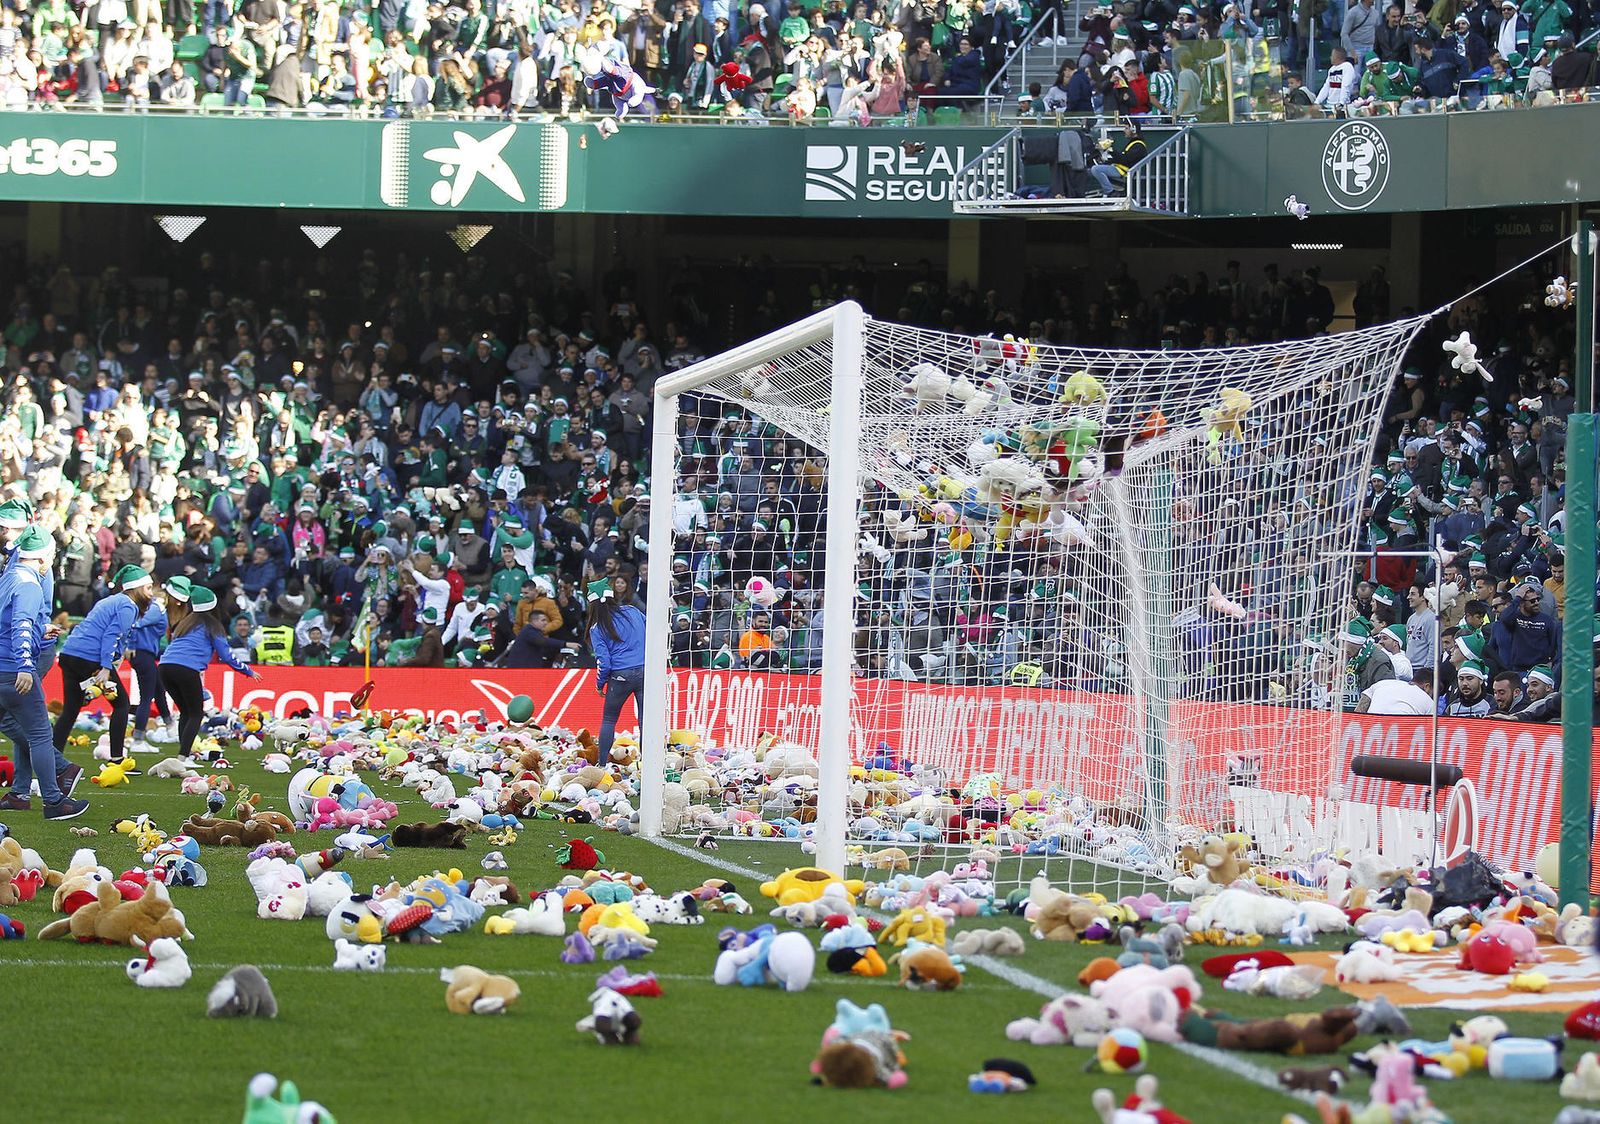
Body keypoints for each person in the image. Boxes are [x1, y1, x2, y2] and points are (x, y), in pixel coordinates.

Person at [0, 527, 88, 820]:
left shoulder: (9, 576)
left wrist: (40, 629)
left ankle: (23, 792)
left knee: (11, 725)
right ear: (43, 557)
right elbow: (21, 624)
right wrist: (26, 665)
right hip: (13, 668)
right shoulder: (29, 585)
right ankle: (54, 800)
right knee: (39, 734)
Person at [54, 563, 156, 772]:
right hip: (90, 658)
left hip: (70, 653)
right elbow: (112, 635)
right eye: (148, 588)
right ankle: (117, 760)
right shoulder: (128, 605)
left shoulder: (110, 600)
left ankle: (51, 760)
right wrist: (106, 666)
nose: (151, 593)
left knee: (70, 710)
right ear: (135, 589)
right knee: (122, 705)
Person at [158, 585, 260, 762]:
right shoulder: (213, 626)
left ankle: (184, 756)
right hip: (186, 669)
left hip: (165, 667)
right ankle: (183, 759)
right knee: (196, 713)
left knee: (186, 712)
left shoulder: (185, 623)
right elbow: (226, 656)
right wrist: (247, 670)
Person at [587, 579, 645, 766]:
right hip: (645, 671)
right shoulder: (633, 611)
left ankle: (602, 764)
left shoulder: (597, 628)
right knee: (646, 720)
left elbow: (604, 663)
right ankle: (648, 763)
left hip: (620, 676)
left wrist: (599, 684)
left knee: (609, 719)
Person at [129, 575, 183, 748]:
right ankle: (138, 739)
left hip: (144, 654)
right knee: (147, 697)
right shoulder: (156, 607)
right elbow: (140, 623)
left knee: (159, 690)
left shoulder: (148, 606)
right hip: (143, 653)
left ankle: (170, 727)